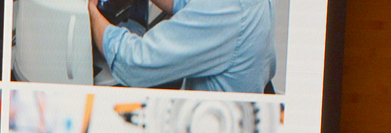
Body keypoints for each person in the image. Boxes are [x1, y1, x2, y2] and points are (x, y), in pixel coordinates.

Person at [87, 0, 277, 93]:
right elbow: (188, 3)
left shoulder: (228, 7)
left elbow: (133, 63)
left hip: (210, 124)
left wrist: (90, 12)